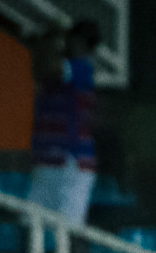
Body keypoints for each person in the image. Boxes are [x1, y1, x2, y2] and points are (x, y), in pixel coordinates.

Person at [28, 20, 100, 227]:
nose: (68, 45)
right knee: (32, 224)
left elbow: (50, 67)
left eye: (71, 40)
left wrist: (48, 41)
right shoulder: (53, 74)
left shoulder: (82, 68)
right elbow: (39, 70)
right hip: (47, 158)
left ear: (81, 43)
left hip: (71, 160)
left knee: (69, 229)